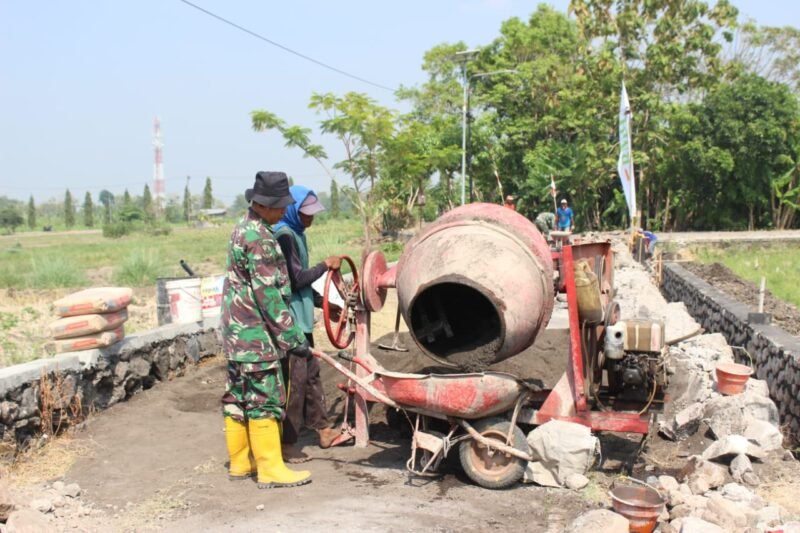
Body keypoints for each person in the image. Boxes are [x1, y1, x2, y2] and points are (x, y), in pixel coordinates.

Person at [220, 171, 313, 489]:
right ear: (265, 204)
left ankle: (240, 462)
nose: (282, 211)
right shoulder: (260, 239)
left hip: (235, 333)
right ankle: (271, 468)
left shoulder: (241, 228)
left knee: (238, 395)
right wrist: (293, 338)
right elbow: (269, 296)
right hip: (255, 336)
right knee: (265, 398)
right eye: (280, 205)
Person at [273, 186, 342, 463]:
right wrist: (325, 265)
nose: (310, 219)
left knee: (312, 375)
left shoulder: (297, 234)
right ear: (293, 211)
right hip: (289, 323)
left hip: (302, 321)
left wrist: (324, 304)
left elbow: (301, 286)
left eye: (312, 214)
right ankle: (288, 444)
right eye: (306, 214)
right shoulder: (285, 235)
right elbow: (296, 280)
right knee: (295, 383)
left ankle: (324, 429)